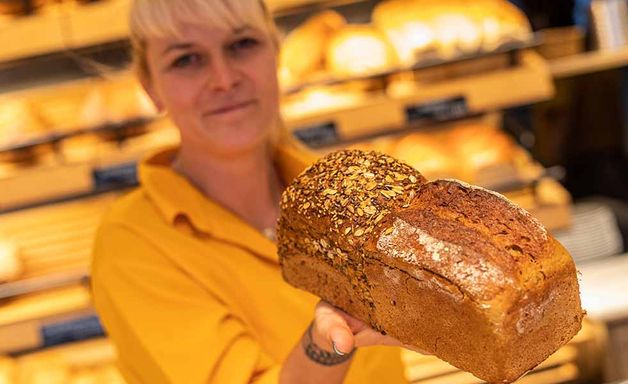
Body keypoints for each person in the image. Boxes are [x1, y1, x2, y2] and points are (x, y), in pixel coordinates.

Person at [91, 1, 415, 383]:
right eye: (187, 60)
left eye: (242, 44)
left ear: (275, 54)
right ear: (151, 88)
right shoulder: (131, 245)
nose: (224, 79)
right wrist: (326, 344)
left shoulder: (344, 196)